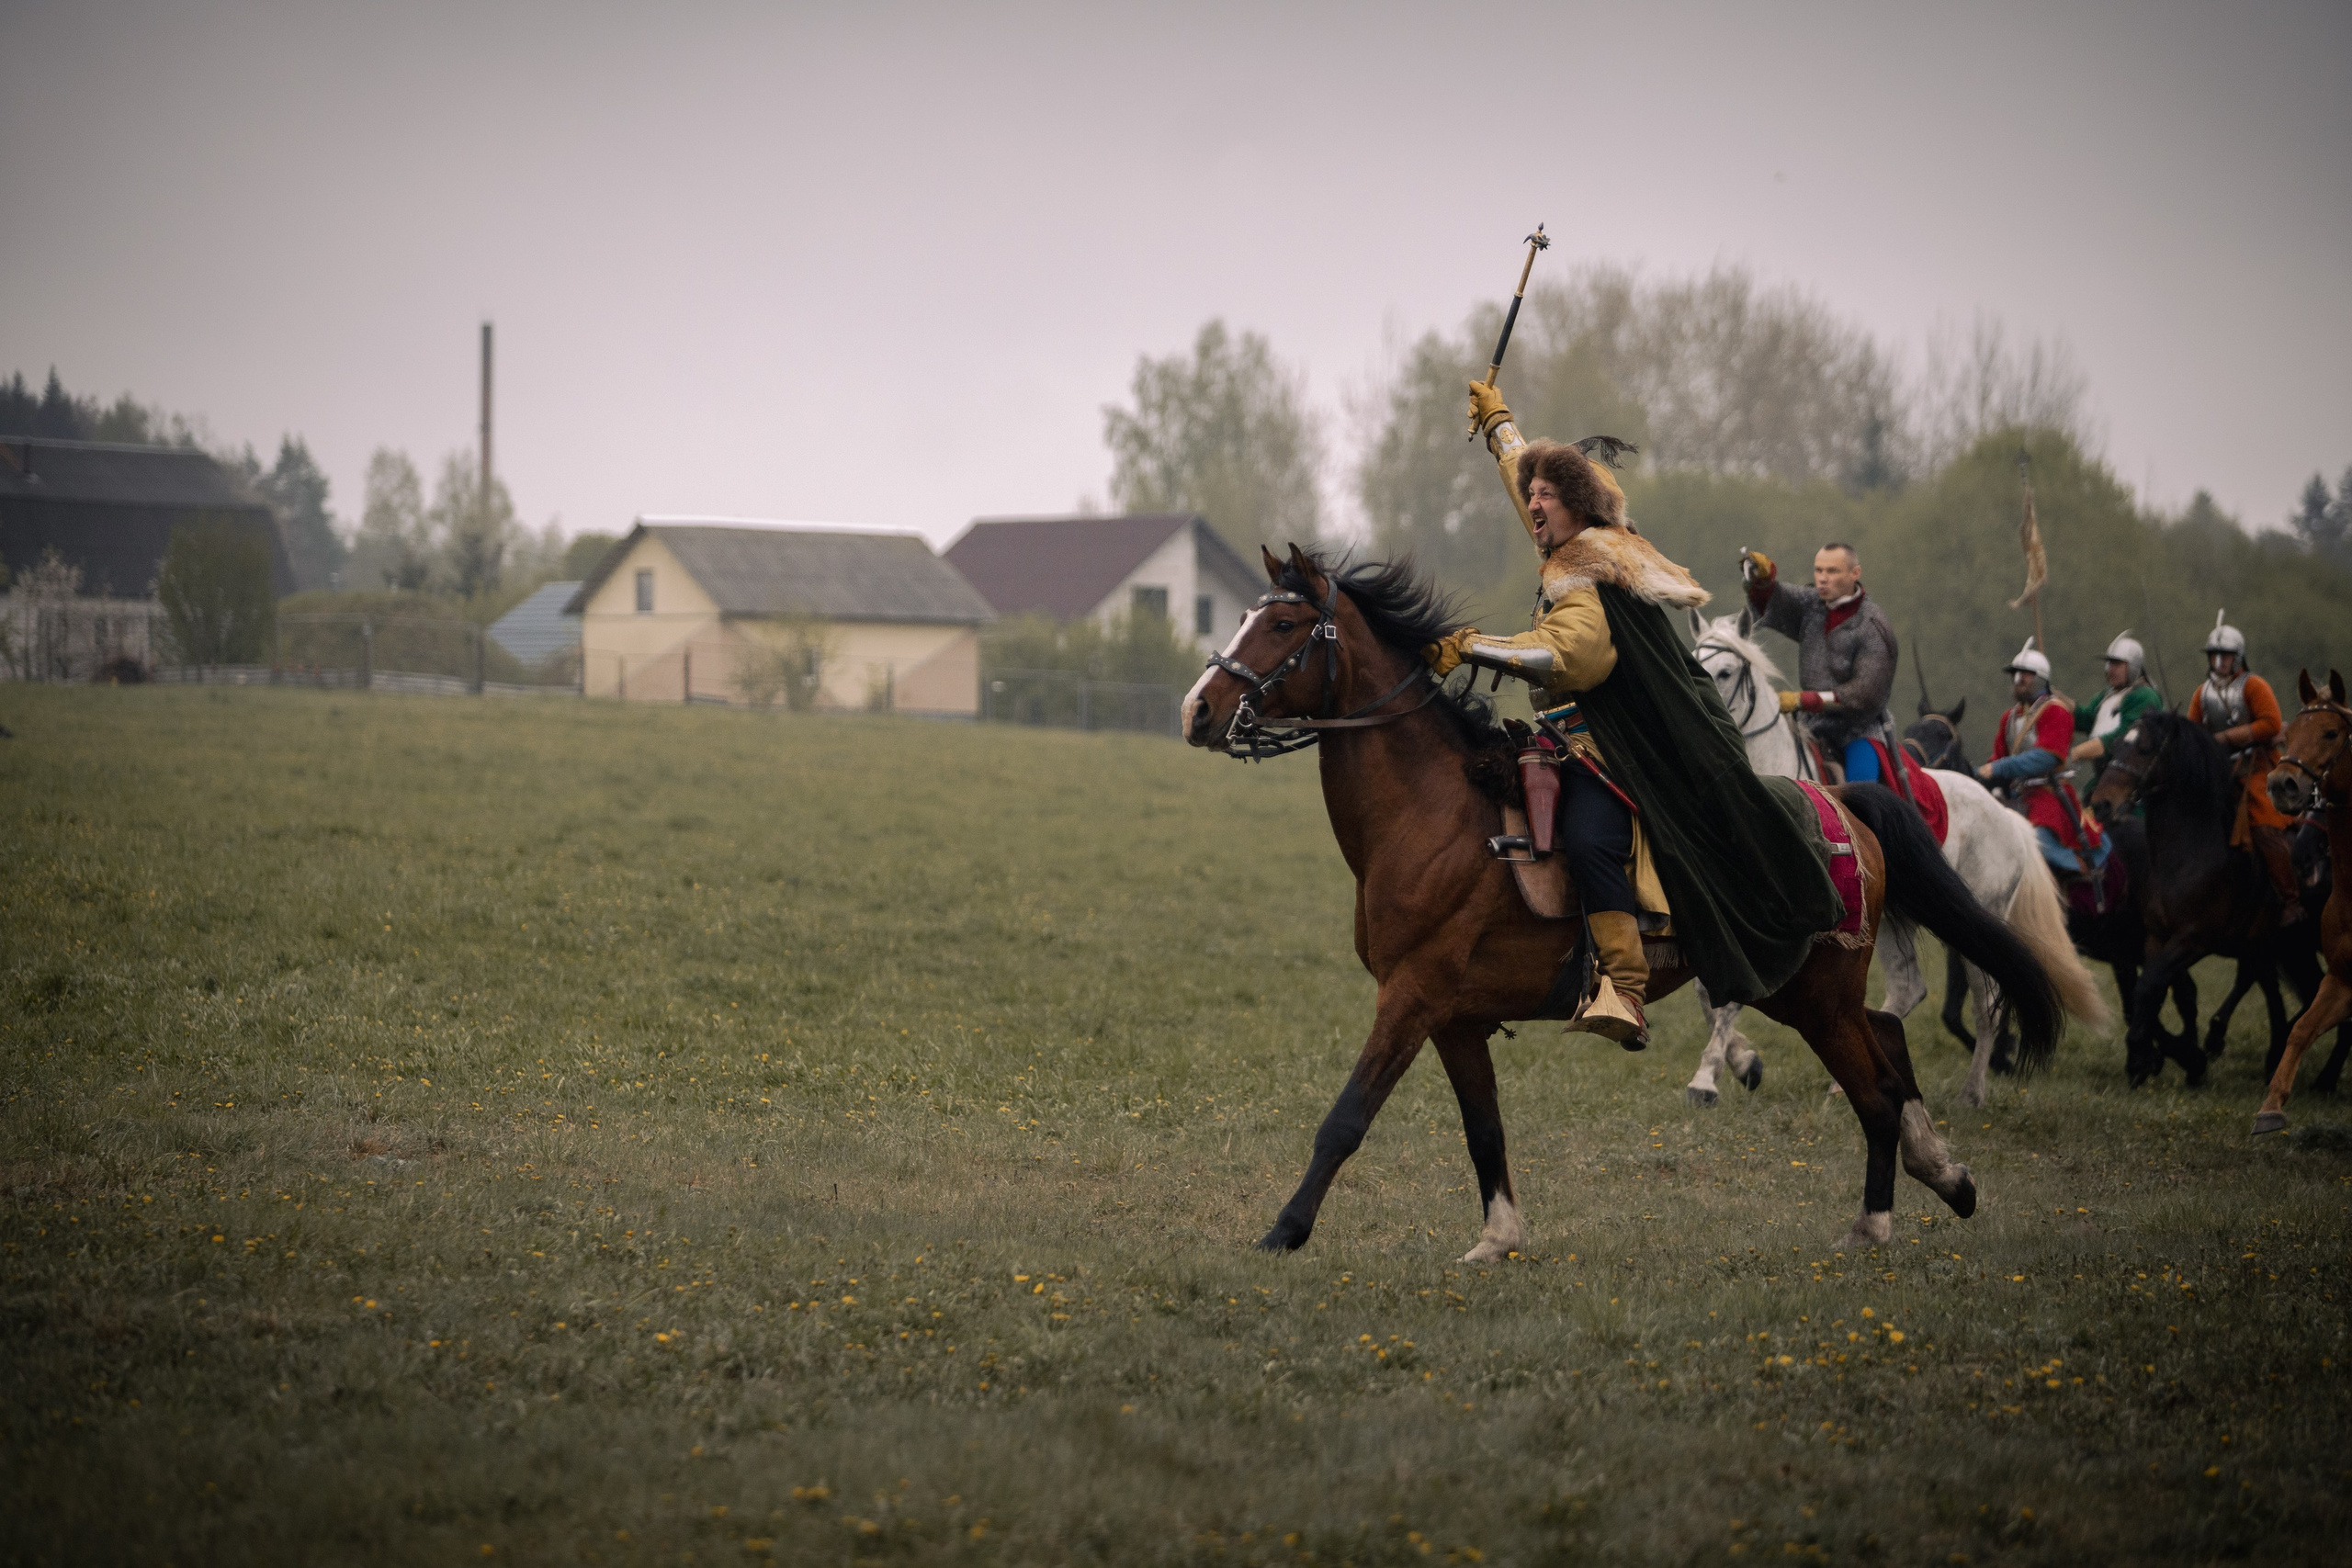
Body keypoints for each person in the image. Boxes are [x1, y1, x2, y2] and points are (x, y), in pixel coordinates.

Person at [1420, 381, 1843, 1047]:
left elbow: (1572, 656)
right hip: (1564, 738)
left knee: (1590, 837)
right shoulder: (1572, 545)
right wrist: (1500, 424)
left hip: (1616, 750)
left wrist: (1473, 646)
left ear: (1576, 508)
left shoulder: (1588, 572)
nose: (1533, 503)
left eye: (1547, 496)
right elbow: (1527, 477)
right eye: (1533, 495)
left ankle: (1623, 986)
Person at [1738, 542, 1899, 784]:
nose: (1823, 578)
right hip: (1810, 725)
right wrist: (1763, 582)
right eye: (1819, 570)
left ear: (1855, 573)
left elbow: (1865, 695)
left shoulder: (1873, 626)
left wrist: (1806, 700)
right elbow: (1775, 602)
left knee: (1860, 793)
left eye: (1832, 571)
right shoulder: (1812, 604)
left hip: (1858, 730)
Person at [2185, 612, 2302, 923]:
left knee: (2264, 827)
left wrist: (2226, 737)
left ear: (2237, 657)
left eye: (2225, 655)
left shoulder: (2254, 685)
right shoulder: (2202, 693)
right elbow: (2194, 733)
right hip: (2221, 773)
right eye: (2214, 655)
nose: (2219, 661)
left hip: (2258, 770)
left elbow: (2271, 723)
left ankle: (2291, 899)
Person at [1980, 637, 2109, 879]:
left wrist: (2000, 767)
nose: (2018, 679)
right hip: (2017, 795)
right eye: (2016, 674)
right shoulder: (2009, 718)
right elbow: (1998, 757)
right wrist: (1982, 773)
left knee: (2038, 841)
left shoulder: (2056, 710)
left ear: (2040, 677)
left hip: (2049, 794)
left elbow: (2046, 757)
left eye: (2026, 674)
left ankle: (2080, 872)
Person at [2068, 631, 2165, 767]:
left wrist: (2076, 753)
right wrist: (2058, 702)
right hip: (2107, 771)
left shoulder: (2143, 695)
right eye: (2109, 663)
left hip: (2131, 773)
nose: (2110, 669)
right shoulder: (2106, 696)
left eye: (2116, 664)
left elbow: (2124, 737)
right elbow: (2086, 720)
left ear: (2133, 666)